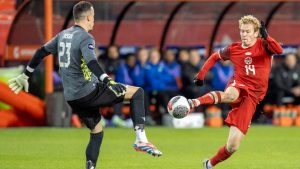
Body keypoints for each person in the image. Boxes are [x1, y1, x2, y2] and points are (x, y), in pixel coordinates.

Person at [7, 1, 162, 169]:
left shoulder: (63, 35)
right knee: (137, 93)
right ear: (88, 17)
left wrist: (26, 74)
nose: (94, 20)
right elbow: (91, 62)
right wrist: (107, 81)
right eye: (94, 17)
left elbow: (40, 52)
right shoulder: (86, 37)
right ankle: (141, 139)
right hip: (89, 91)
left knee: (97, 132)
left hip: (73, 98)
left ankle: (90, 167)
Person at [187, 15, 282, 168]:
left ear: (256, 32)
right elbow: (214, 57)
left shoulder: (264, 45)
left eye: (247, 31)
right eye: (242, 31)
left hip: (253, 97)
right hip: (239, 84)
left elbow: (279, 50)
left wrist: (267, 36)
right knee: (230, 95)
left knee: (232, 146)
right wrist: (201, 75)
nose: (244, 35)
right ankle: (194, 102)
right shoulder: (234, 48)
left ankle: (209, 164)